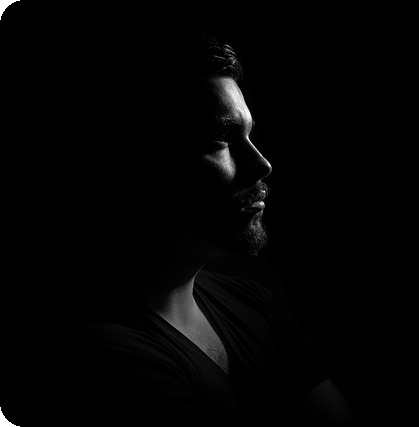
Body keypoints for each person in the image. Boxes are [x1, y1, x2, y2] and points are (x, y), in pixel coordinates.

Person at [72, 30, 352, 426]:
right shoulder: (107, 351)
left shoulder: (254, 306)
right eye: (221, 139)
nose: (262, 165)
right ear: (140, 162)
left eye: (249, 135)